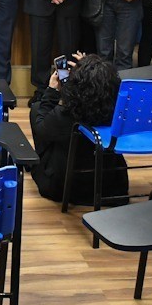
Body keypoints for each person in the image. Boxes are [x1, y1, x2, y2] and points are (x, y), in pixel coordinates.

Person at [29, 53, 128, 205]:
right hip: (111, 186)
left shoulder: (66, 115)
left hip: (63, 188)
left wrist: (51, 91)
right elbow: (98, 85)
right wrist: (89, 69)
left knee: (37, 110)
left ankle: (42, 163)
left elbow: (41, 129)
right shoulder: (117, 111)